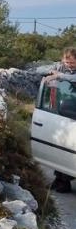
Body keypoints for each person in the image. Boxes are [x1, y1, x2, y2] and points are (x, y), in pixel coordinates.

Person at [46, 47, 76, 193]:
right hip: (62, 112)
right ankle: (59, 180)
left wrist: (59, 76)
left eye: (72, 63)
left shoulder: (66, 73)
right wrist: (52, 73)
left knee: (70, 148)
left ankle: (65, 182)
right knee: (60, 146)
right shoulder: (60, 67)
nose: (69, 65)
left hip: (73, 111)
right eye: (67, 62)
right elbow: (41, 71)